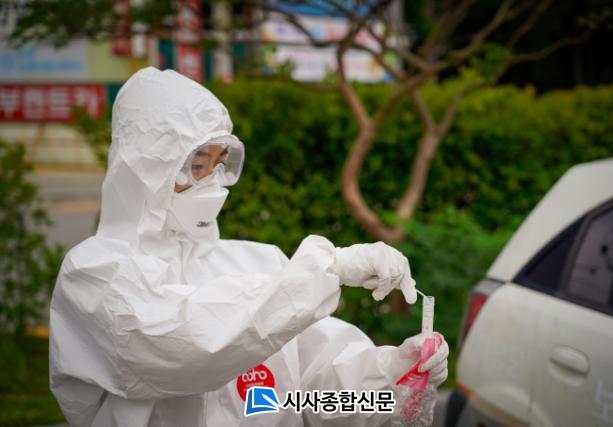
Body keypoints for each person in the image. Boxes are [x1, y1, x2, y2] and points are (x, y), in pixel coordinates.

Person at [49, 67, 448, 426]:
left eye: (219, 162)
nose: (212, 181)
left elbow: (307, 396)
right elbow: (184, 348)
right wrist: (330, 268)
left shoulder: (259, 264)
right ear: (148, 168)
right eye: (197, 164)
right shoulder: (95, 274)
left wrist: (390, 379)